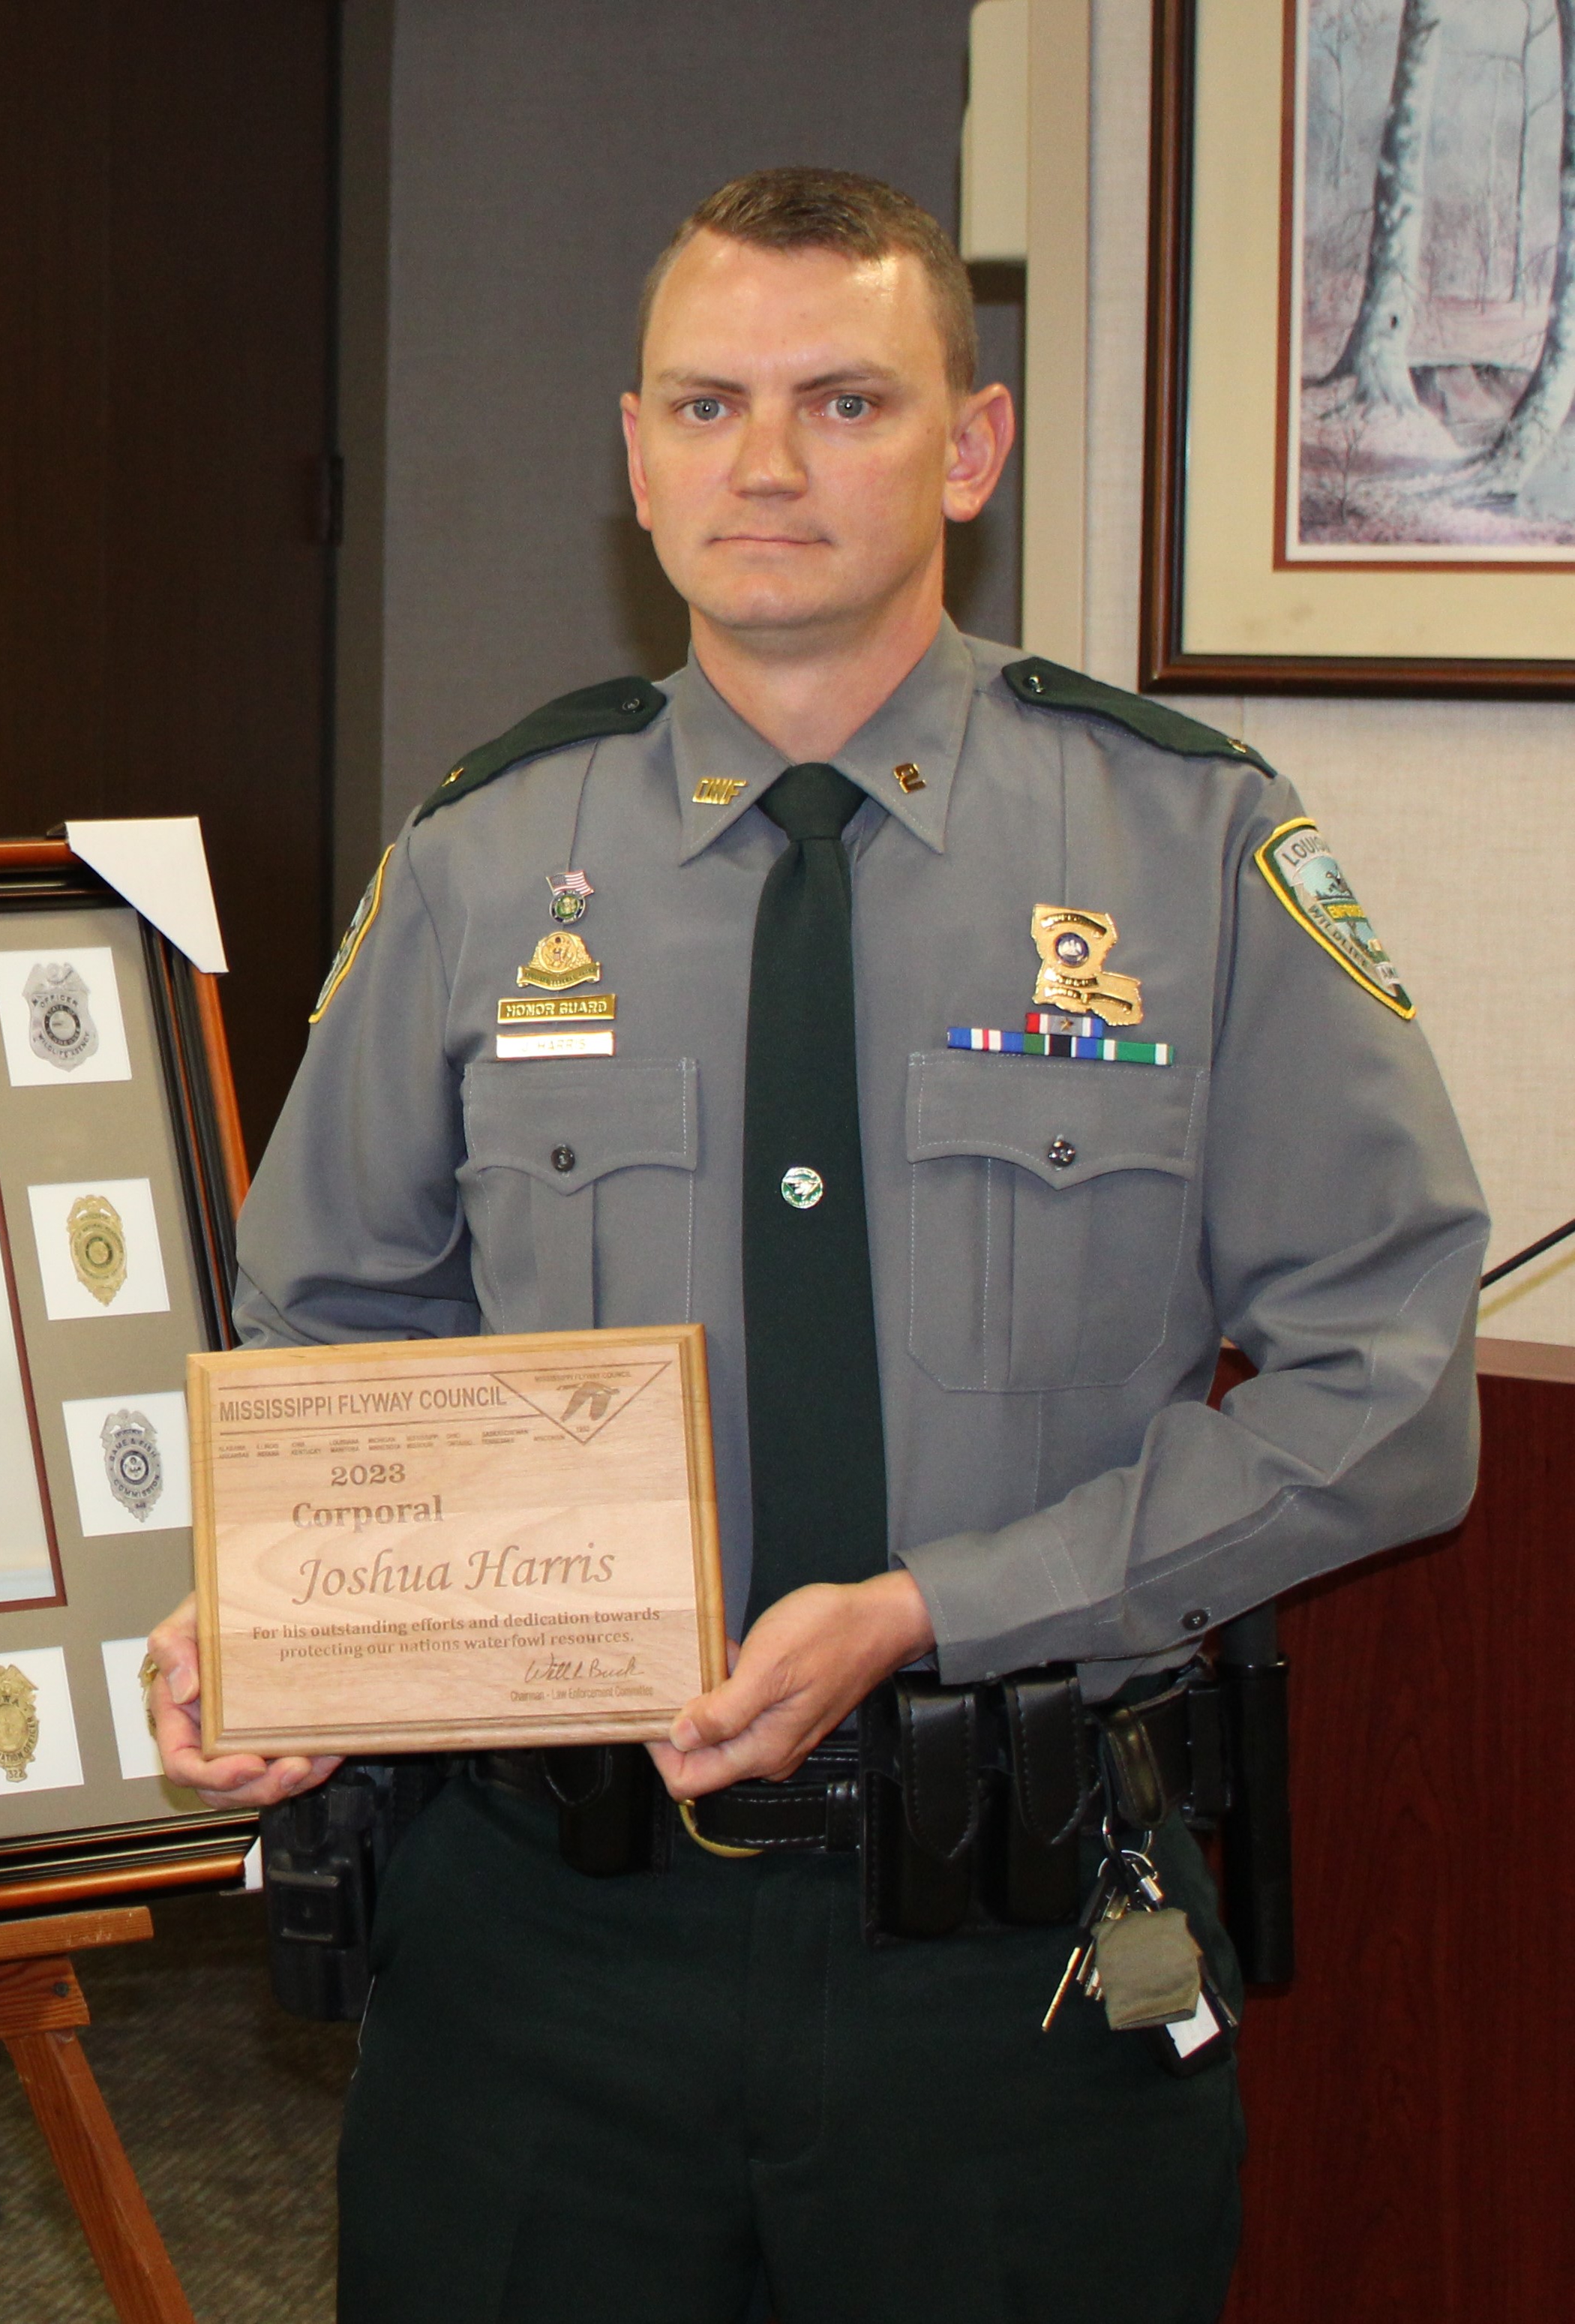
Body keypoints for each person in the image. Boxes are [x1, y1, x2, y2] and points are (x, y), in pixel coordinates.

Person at [148, 168, 1482, 2320]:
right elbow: (325, 1322)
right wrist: (291, 1619)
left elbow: (1388, 1386)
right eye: (706, 405)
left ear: (970, 446)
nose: (763, 463)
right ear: (635, 453)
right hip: (543, 1946)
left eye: (844, 401)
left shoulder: (1186, 839)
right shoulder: (484, 858)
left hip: (1012, 1945)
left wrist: (944, 1607)